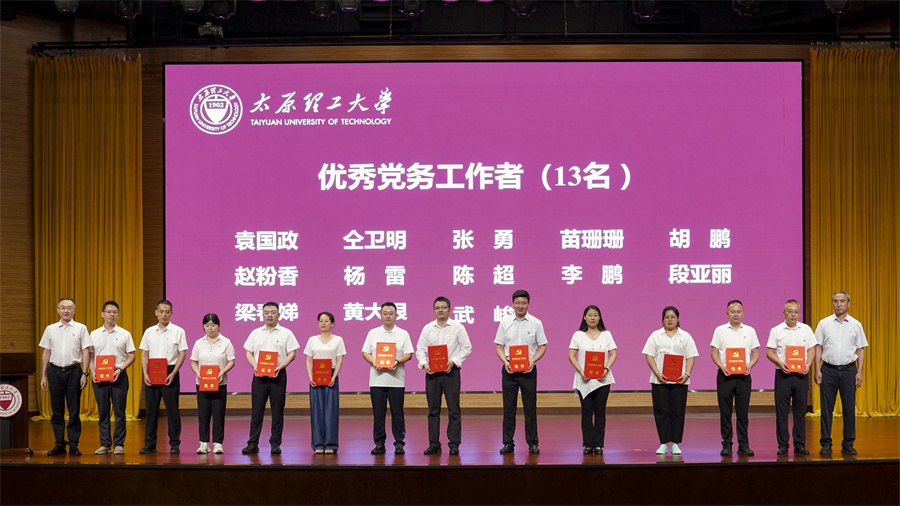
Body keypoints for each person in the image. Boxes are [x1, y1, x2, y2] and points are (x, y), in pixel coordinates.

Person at [415, 296, 473, 456]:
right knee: (433, 410)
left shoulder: (458, 327)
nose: (440, 310)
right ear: (434, 310)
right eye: (437, 307)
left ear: (449, 309)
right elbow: (420, 349)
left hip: (451, 372)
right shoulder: (427, 328)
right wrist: (424, 364)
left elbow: (467, 348)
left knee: (454, 409)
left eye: (443, 307)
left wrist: (454, 361)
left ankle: (454, 444)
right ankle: (434, 444)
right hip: (432, 373)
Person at [241, 302, 300, 455]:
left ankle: (275, 443)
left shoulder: (286, 333)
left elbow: (292, 354)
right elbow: (248, 353)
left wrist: (280, 367)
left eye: (273, 312)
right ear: (262, 314)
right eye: (266, 312)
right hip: (259, 376)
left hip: (278, 375)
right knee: (257, 411)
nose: (269, 315)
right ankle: (253, 443)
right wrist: (255, 366)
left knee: (277, 410)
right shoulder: (255, 333)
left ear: (278, 314)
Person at [814, 291, 868, 455]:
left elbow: (860, 349)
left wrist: (859, 372)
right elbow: (818, 347)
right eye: (836, 301)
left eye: (842, 301)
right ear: (833, 303)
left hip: (849, 370)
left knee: (849, 409)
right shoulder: (824, 323)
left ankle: (848, 444)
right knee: (826, 409)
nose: (839, 304)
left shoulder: (856, 325)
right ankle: (826, 443)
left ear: (848, 304)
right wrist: (817, 369)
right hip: (828, 370)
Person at [494, 289, 547, 455]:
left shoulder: (536, 323)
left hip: (528, 371)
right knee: (508, 408)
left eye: (524, 303)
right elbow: (499, 346)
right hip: (509, 370)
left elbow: (542, 346)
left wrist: (533, 361)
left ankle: (532, 443)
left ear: (528, 304)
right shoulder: (505, 322)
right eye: (517, 303)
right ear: (513, 304)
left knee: (530, 408)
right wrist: (505, 362)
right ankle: (508, 443)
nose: (520, 306)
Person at [642, 306, 698, 456]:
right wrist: (657, 373)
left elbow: (691, 356)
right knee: (661, 412)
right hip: (659, 381)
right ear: (663, 320)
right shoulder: (656, 335)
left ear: (678, 319)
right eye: (667, 317)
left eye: (673, 317)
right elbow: (649, 355)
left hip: (680, 381)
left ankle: (675, 444)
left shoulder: (685, 336)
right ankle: (663, 443)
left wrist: (687, 374)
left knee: (678, 412)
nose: (670, 320)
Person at [39, 297, 91, 456]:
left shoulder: (81, 328)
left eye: (69, 308)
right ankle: (59, 444)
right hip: (54, 371)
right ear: (58, 310)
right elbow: (46, 352)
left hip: (74, 371)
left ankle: (74, 444)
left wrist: (84, 373)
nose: (66, 310)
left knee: (74, 409)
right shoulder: (50, 329)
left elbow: (86, 351)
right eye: (63, 307)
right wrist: (43, 375)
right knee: (57, 410)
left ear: (74, 311)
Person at [361, 302, 414, 455]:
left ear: (396, 315)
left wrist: (397, 361)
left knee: (397, 413)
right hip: (377, 380)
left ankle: (399, 443)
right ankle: (379, 443)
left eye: (391, 313)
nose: (388, 316)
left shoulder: (403, 333)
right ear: (380, 315)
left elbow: (409, 354)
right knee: (378, 414)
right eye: (385, 313)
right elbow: (365, 352)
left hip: (396, 381)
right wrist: (374, 362)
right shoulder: (373, 333)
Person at [710, 299, 760, 456]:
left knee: (742, 412)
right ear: (727, 313)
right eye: (732, 311)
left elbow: (756, 353)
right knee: (725, 412)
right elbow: (714, 352)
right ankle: (727, 445)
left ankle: (743, 445)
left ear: (743, 313)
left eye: (738, 311)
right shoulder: (719, 330)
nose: (736, 314)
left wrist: (750, 365)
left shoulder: (750, 331)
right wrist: (721, 366)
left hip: (744, 377)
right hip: (725, 376)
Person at [765, 299, 815, 456]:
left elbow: (812, 349)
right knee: (782, 412)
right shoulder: (776, 330)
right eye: (790, 311)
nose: (793, 314)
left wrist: (808, 365)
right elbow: (769, 351)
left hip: (801, 375)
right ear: (784, 313)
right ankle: (783, 445)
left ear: (799, 313)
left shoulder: (806, 329)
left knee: (800, 411)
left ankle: (800, 444)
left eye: (796, 312)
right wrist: (780, 363)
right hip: (783, 375)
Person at [139, 299, 188, 455]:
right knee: (151, 411)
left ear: (172, 313)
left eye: (167, 312)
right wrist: (145, 373)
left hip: (170, 371)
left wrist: (174, 372)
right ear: (156, 312)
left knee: (172, 410)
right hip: (152, 372)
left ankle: (174, 443)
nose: (164, 314)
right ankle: (150, 443)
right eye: (161, 311)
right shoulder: (149, 332)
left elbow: (182, 353)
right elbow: (144, 353)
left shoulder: (178, 331)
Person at [567, 305, 617, 455]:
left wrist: (606, 368)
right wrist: (581, 371)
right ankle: (588, 444)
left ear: (599, 317)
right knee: (587, 412)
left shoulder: (606, 334)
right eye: (590, 315)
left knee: (600, 412)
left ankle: (599, 444)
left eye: (595, 315)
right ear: (584, 317)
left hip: (603, 380)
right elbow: (571, 356)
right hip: (584, 380)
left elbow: (613, 354)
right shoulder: (578, 335)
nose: (593, 318)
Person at [88, 301, 136, 455]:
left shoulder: (125, 334)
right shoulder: (94, 334)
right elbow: (90, 356)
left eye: (114, 312)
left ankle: (119, 444)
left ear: (118, 315)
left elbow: (132, 356)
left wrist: (121, 369)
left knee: (120, 411)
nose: (111, 314)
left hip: (118, 375)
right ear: (102, 314)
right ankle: (105, 444)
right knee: (103, 412)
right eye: (108, 312)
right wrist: (92, 372)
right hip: (99, 376)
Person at [190, 313, 235, 455]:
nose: (210, 328)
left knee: (218, 413)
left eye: (213, 325)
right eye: (207, 325)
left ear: (219, 326)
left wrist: (223, 372)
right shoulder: (199, 343)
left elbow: (231, 361)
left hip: (219, 383)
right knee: (203, 414)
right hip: (202, 383)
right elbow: (193, 362)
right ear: (203, 327)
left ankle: (217, 443)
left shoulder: (226, 342)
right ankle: (203, 443)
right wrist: (197, 372)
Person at [303, 311, 346, 455]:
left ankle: (331, 445)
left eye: (326, 321)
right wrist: (310, 376)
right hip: (316, 377)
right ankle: (318, 444)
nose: (323, 323)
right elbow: (309, 360)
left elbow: (339, 360)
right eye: (321, 321)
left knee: (331, 412)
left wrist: (334, 376)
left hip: (331, 376)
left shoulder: (338, 340)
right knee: (317, 412)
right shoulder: (312, 340)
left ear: (332, 324)